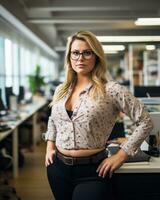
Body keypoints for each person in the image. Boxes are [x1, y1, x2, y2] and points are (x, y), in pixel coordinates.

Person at [43, 31, 153, 200]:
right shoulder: (61, 89)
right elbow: (53, 119)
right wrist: (50, 146)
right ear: (69, 57)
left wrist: (122, 155)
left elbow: (145, 121)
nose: (80, 58)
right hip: (58, 169)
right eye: (75, 53)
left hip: (93, 170)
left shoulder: (111, 90)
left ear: (96, 56)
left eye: (87, 52)